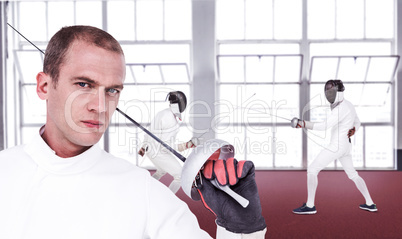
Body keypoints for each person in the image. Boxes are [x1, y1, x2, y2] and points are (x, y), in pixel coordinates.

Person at [0, 25, 212, 238]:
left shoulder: (144, 191)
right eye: (83, 84)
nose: (100, 106)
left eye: (112, 90)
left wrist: (239, 228)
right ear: (44, 86)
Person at [291, 79, 377, 214]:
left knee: (312, 169)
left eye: (331, 91)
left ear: (339, 92)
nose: (328, 94)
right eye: (327, 91)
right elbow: (358, 122)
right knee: (353, 175)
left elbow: (323, 126)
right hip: (346, 147)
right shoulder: (348, 105)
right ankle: (370, 203)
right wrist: (354, 129)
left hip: (337, 146)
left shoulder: (340, 109)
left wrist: (302, 123)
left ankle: (310, 206)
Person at [138, 91, 197, 193]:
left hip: (150, 150)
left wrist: (143, 147)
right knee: (180, 175)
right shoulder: (170, 119)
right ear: (179, 104)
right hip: (158, 152)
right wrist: (186, 145)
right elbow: (167, 146)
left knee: (161, 171)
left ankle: (145, 191)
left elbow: (149, 131)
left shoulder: (164, 113)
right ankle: (169, 200)